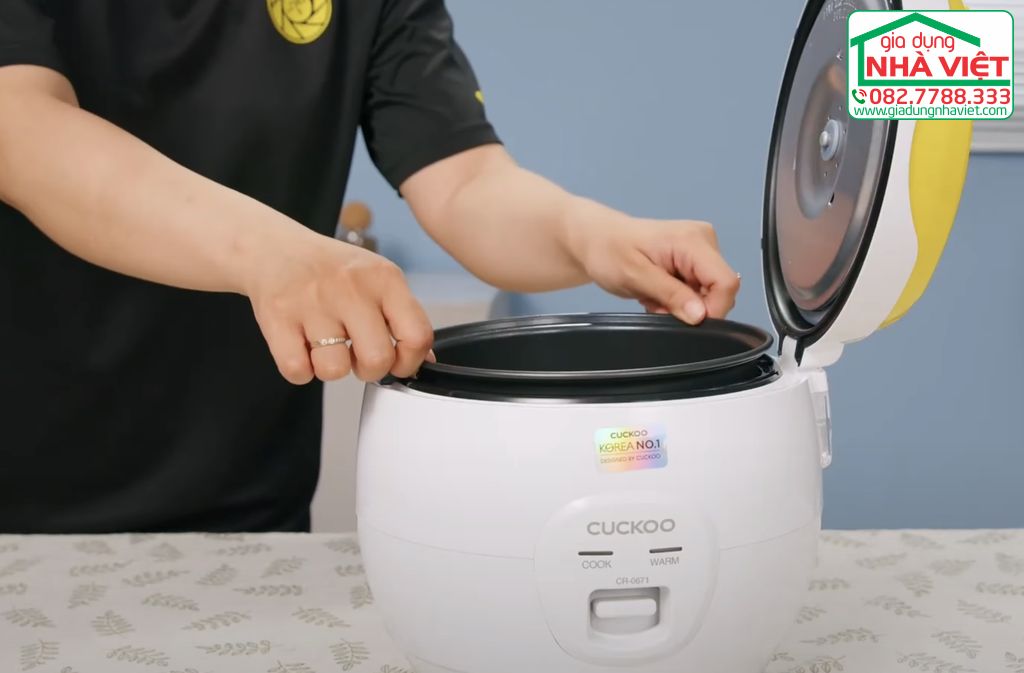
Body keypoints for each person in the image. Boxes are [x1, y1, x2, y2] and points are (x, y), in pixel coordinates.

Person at [0, 0, 741, 534]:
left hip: (246, 508)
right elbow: (21, 128)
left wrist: (593, 236)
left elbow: (463, 180)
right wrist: (273, 254)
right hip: (24, 502)